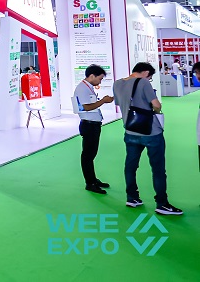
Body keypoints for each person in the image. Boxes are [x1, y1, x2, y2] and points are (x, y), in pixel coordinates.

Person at [113, 62, 182, 215]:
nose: (149, 79)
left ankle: (132, 197)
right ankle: (162, 204)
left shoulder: (117, 84)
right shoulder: (143, 83)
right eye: (150, 76)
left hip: (130, 131)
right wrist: (156, 108)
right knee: (158, 169)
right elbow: (156, 105)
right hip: (151, 132)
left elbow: (121, 103)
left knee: (130, 166)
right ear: (145, 72)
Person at [73, 64, 114, 194]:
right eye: (100, 78)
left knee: (90, 154)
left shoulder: (87, 87)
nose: (100, 82)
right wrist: (103, 101)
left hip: (92, 124)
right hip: (89, 125)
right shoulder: (82, 88)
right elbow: (86, 107)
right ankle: (90, 183)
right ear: (92, 76)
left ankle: (93, 180)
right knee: (88, 155)